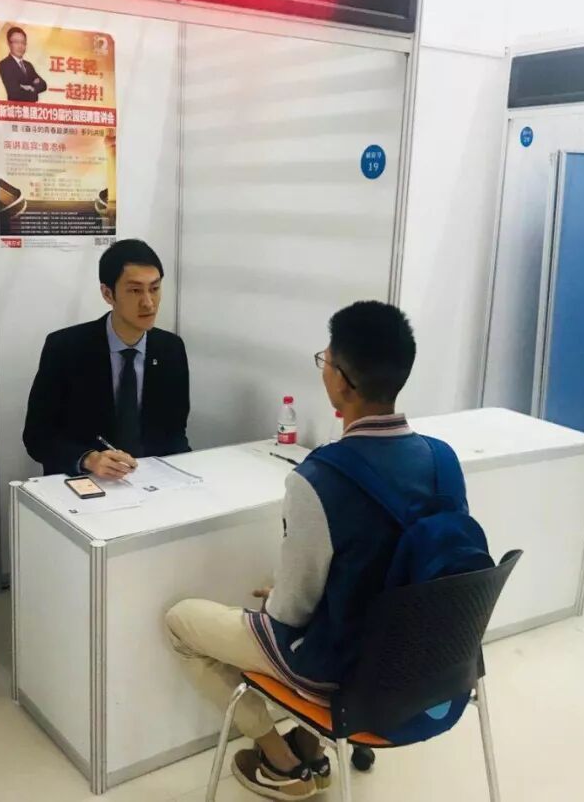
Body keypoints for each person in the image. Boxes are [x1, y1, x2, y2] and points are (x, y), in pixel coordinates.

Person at [166, 301, 456, 800]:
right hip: (428, 667)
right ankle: (309, 745)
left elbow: (289, 614)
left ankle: (280, 761)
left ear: (341, 381)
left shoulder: (318, 478)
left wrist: (281, 590)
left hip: (344, 675)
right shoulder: (443, 460)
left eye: (326, 359)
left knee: (181, 622)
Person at [23, 239, 191, 477]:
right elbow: (37, 436)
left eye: (154, 289)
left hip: (150, 482)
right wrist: (88, 459)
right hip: (86, 480)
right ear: (107, 293)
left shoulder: (170, 349)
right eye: (135, 290)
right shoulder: (66, 348)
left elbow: (175, 433)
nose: (148, 302)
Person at [0, 26, 48, 102]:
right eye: (16, 42)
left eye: (23, 43)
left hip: (31, 108)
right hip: (15, 107)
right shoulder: (5, 64)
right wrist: (33, 88)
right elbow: (14, 93)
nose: (20, 46)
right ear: (9, 43)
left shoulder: (28, 65)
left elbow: (43, 85)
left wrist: (29, 88)